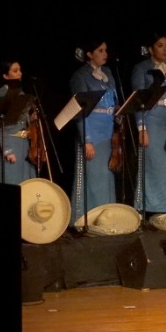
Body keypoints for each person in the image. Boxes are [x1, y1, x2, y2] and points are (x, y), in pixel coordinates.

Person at [130, 33, 166, 216]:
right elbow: (138, 100)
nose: (165, 49)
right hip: (152, 120)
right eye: (160, 45)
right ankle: (150, 208)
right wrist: (142, 128)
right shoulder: (141, 69)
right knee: (153, 167)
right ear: (150, 49)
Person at [68, 39, 121, 225]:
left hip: (107, 132)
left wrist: (118, 114)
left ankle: (106, 219)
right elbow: (79, 110)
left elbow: (113, 101)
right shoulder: (80, 76)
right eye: (100, 50)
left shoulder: (107, 73)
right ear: (89, 54)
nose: (105, 53)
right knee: (91, 178)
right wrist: (86, 139)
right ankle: (84, 219)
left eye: (105, 50)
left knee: (106, 176)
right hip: (91, 132)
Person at [0, 60, 38, 185]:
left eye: (20, 70)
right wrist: (7, 150)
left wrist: (30, 119)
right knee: (12, 182)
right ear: (5, 75)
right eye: (15, 71)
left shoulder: (21, 93)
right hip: (10, 144)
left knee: (27, 183)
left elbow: (20, 120)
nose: (20, 73)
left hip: (24, 144)